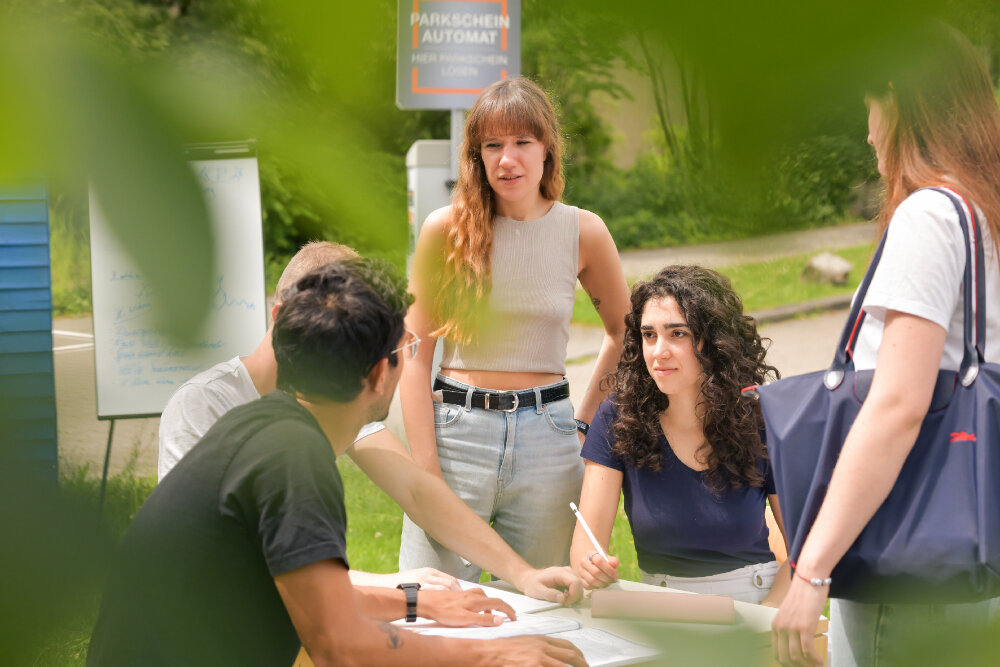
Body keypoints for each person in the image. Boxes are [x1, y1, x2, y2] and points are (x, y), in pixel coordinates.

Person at [89, 260, 586, 667]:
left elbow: (307, 596)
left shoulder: (270, 426)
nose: (412, 360)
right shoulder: (294, 456)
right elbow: (338, 644)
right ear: (376, 374)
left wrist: (415, 601)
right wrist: (489, 656)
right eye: (407, 349)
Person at [157, 240, 583, 602]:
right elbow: (223, 561)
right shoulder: (203, 405)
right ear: (284, 316)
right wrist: (388, 587)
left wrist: (521, 573)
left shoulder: (331, 390)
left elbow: (417, 491)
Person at [771, 22, 1000, 666]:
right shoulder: (987, 213)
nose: (869, 132)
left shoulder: (930, 215)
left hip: (903, 571)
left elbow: (899, 402)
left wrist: (812, 569)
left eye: (870, 109)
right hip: (968, 558)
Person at [399, 77, 630, 580]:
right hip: (456, 437)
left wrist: (581, 425)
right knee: (429, 609)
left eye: (522, 142)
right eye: (493, 145)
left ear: (547, 149)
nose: (508, 159)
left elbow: (623, 333)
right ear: (477, 157)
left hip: (549, 443)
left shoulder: (583, 231)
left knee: (546, 614)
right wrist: (426, 471)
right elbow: (413, 357)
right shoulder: (445, 230)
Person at [571, 265, 791, 606]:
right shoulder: (619, 416)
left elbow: (803, 550)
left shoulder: (760, 417)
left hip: (756, 605)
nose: (658, 352)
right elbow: (585, 546)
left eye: (678, 334)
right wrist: (591, 567)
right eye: (649, 335)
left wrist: (771, 618)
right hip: (664, 612)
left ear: (716, 341)